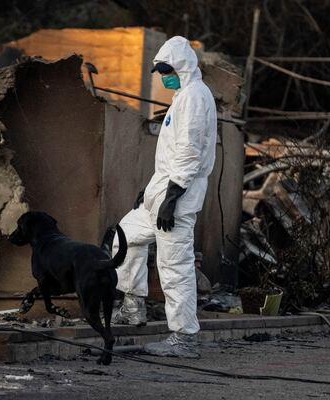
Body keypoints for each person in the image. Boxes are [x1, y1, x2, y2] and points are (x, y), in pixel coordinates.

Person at [111, 36, 217, 358]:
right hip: (162, 194)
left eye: (165, 69)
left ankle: (184, 338)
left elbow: (189, 152)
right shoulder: (182, 97)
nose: (163, 75)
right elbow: (171, 156)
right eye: (159, 71)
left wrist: (172, 198)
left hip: (177, 199)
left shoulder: (195, 97)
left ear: (181, 67)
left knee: (175, 267)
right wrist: (151, 190)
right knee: (125, 236)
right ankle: (132, 306)